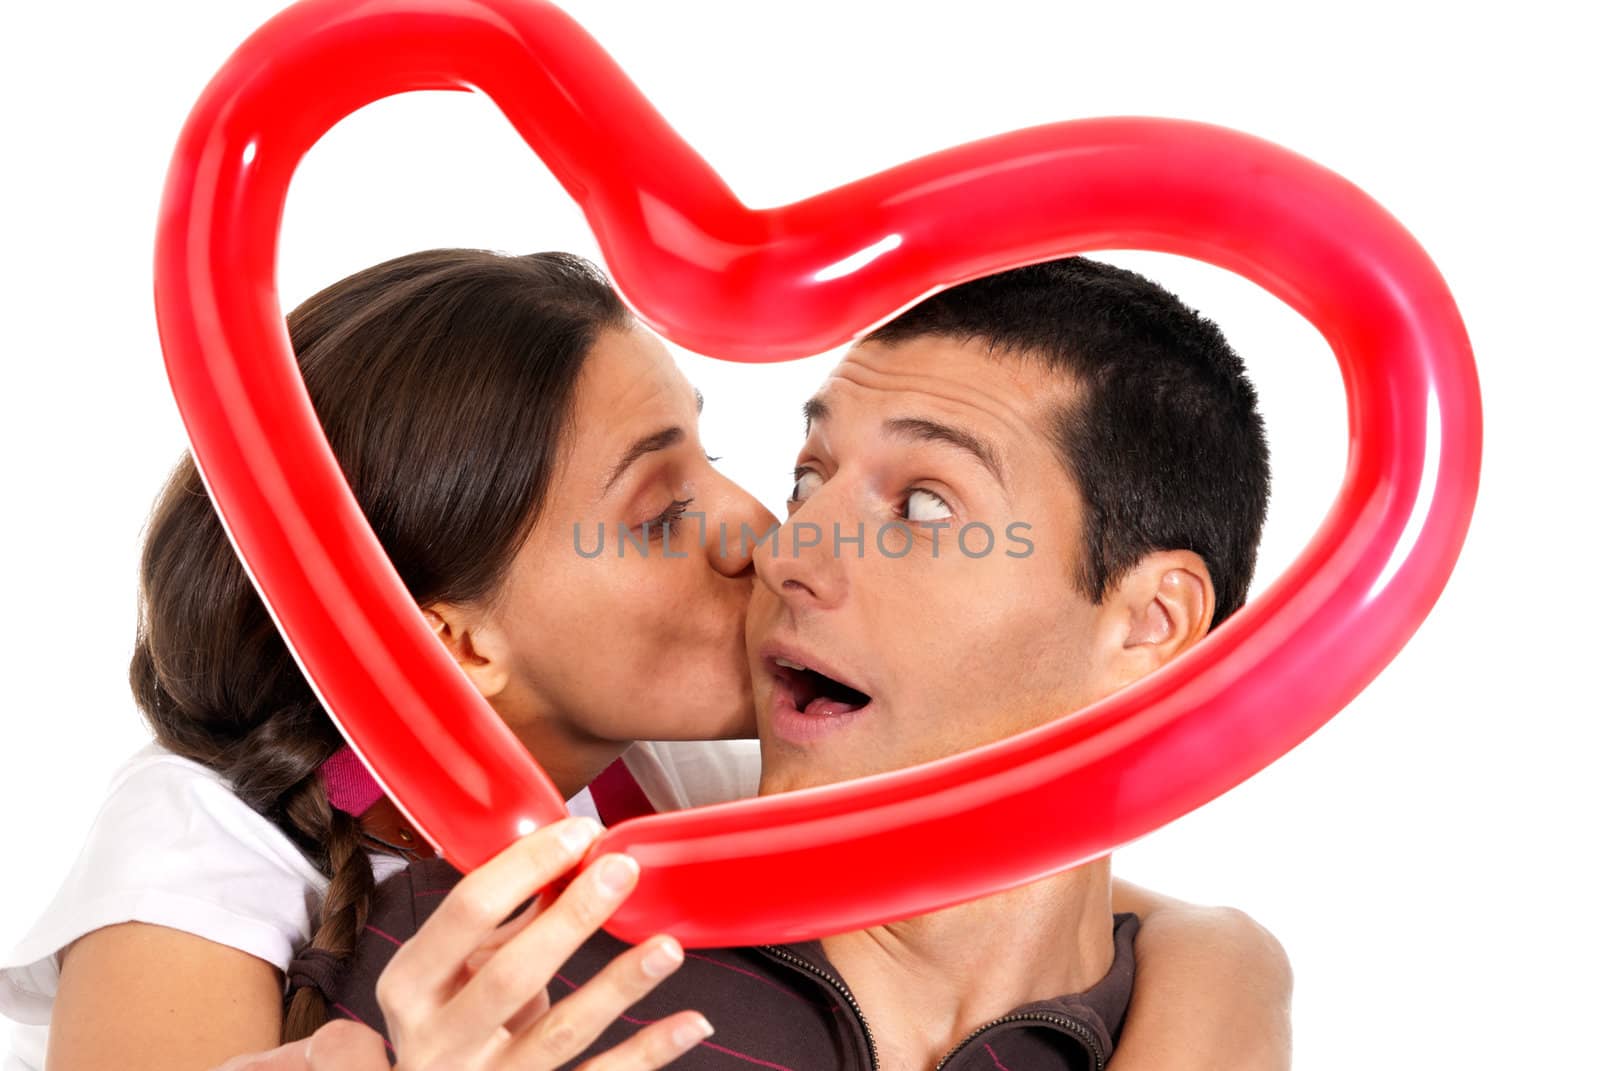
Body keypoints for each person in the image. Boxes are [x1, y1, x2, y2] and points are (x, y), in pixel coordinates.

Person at [0, 251, 1287, 1071]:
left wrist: (1229, 963)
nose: (770, 538)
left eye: (922, 505)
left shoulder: (698, 803)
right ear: (453, 643)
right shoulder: (213, 846)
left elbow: (1067, 893)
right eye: (660, 512)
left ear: (1153, 619)